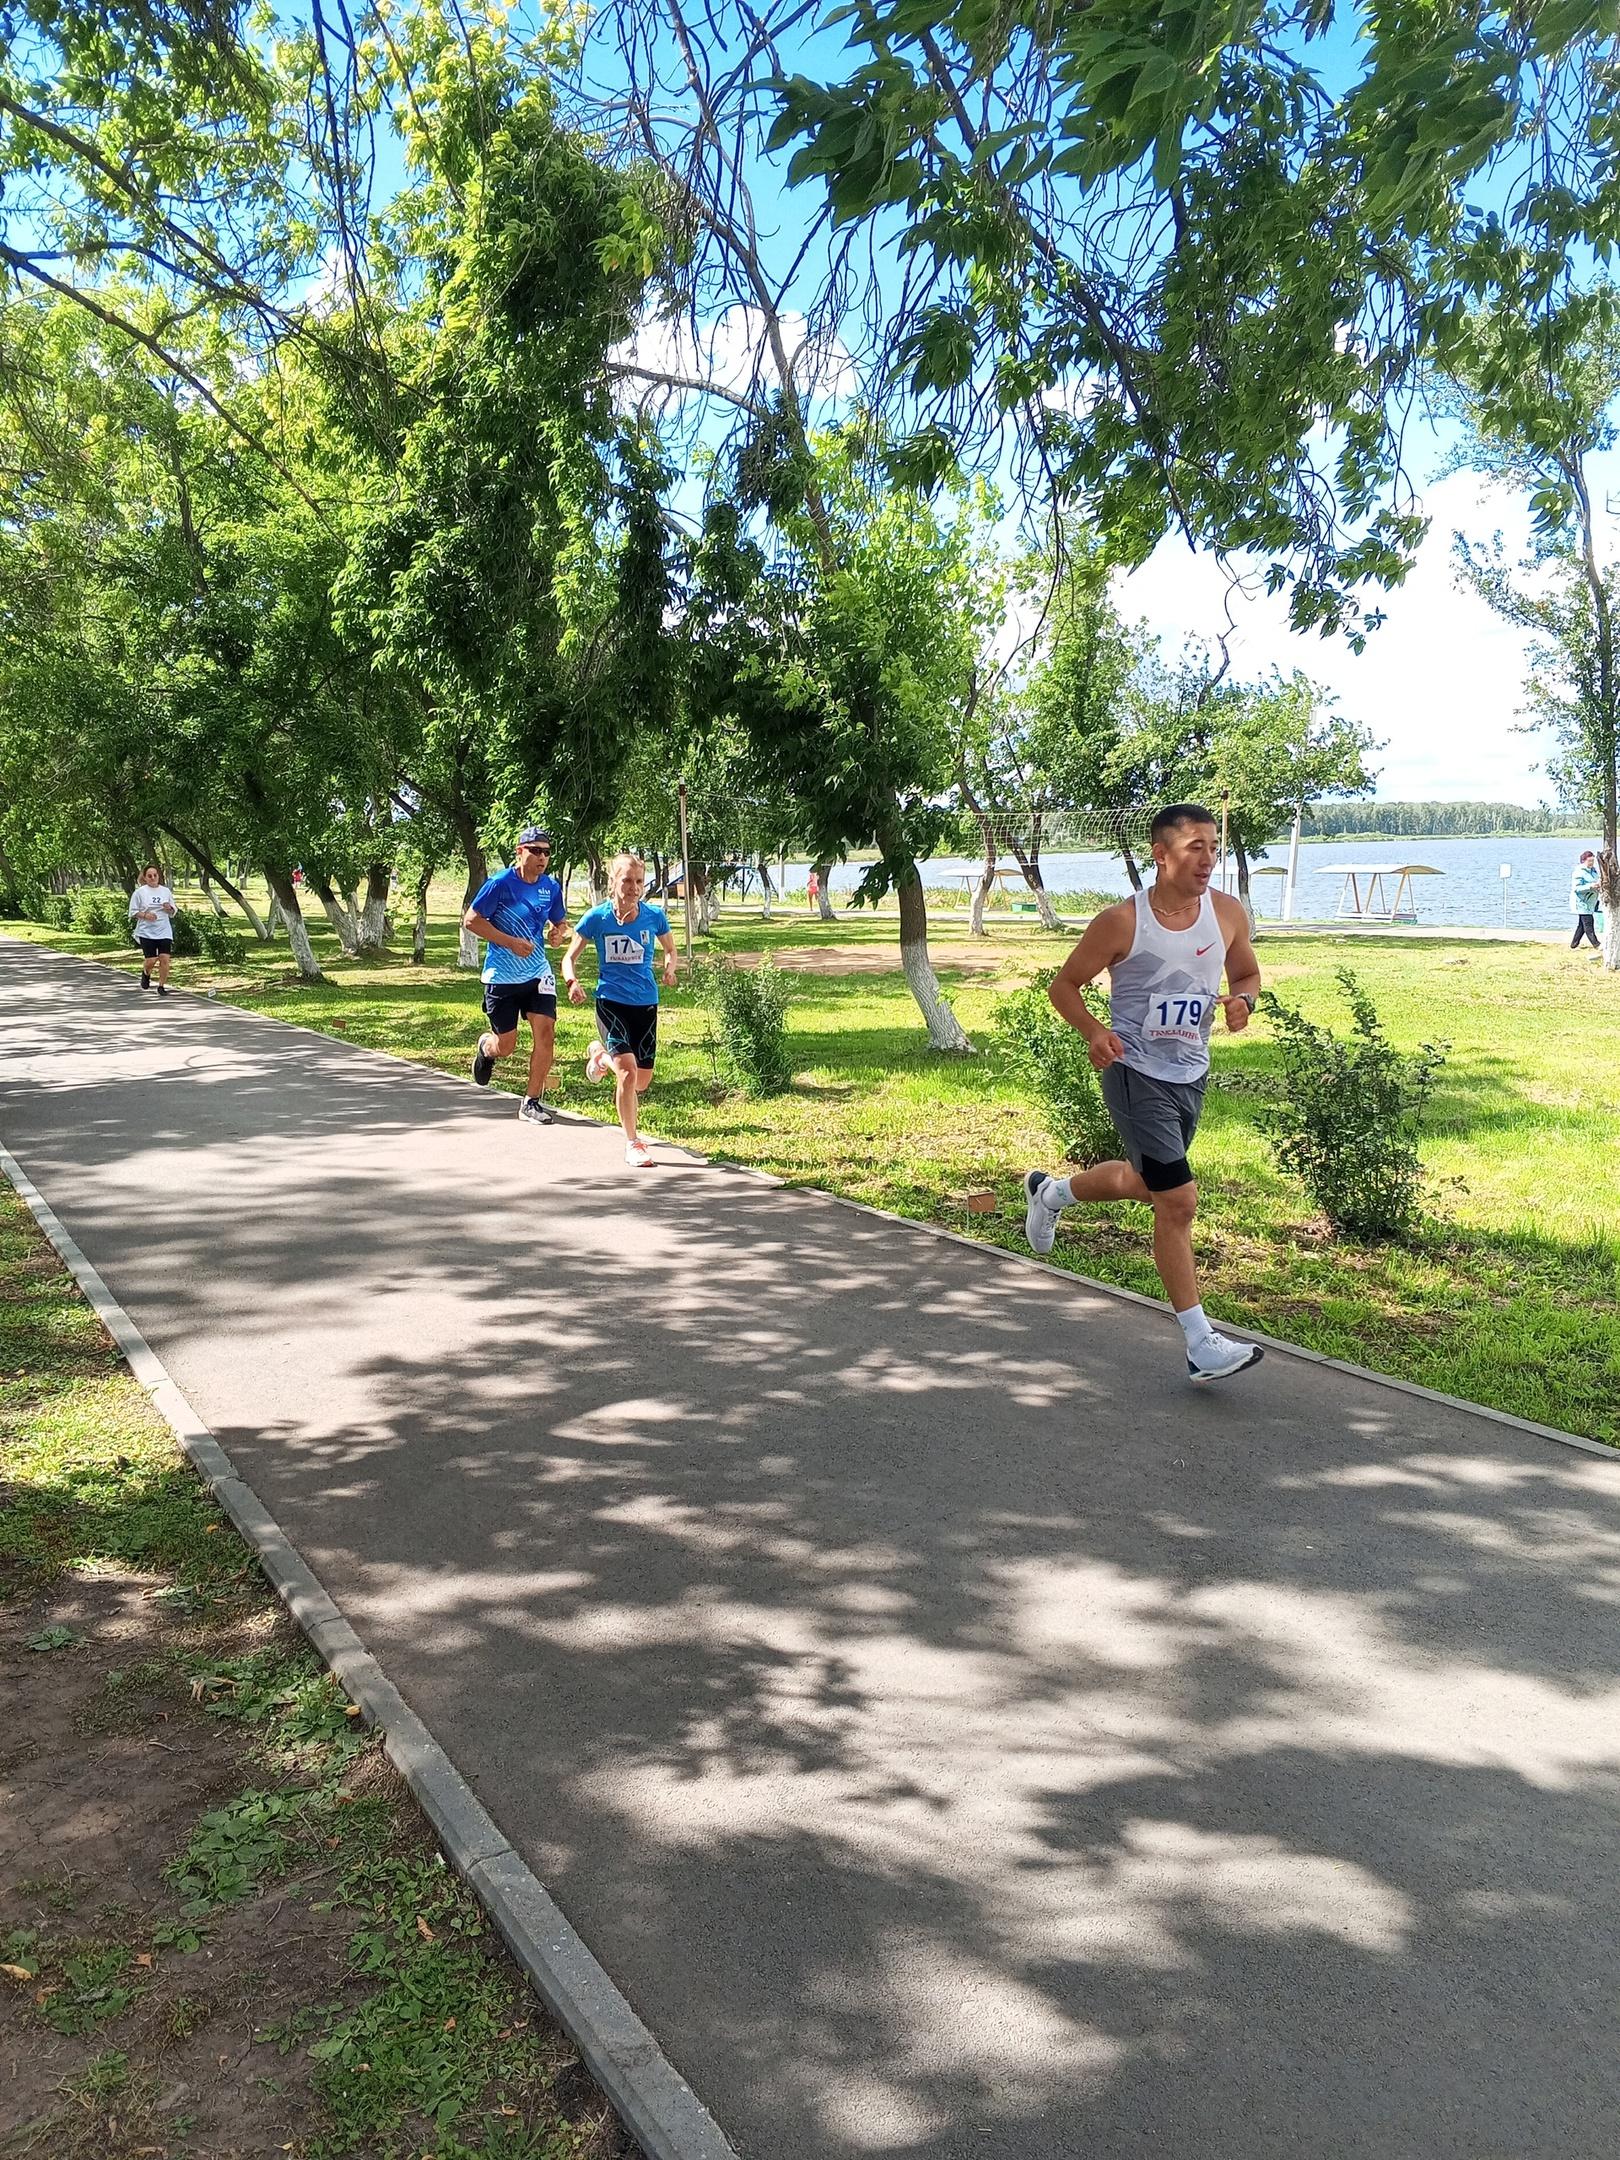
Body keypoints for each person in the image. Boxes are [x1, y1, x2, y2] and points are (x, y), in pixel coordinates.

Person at [1022, 804, 1265, 1386]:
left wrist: (1243, 1003)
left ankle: (1051, 1194)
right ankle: (1199, 1342)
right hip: (1134, 1071)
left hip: (1190, 1072)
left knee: (1145, 1183)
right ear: (1161, 855)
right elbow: (1064, 986)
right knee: (1178, 1202)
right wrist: (1094, 1032)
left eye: (1214, 847)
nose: (1208, 858)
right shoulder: (1121, 922)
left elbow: (1248, 975)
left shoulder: (1227, 913)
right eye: (1194, 848)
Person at [563, 852, 676, 1168]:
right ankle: (633, 1143)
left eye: (639, 881)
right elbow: (568, 957)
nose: (634, 887)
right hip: (610, 1002)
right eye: (627, 880)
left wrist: (669, 969)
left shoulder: (654, 916)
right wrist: (572, 982)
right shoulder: (597, 918)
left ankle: (600, 1057)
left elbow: (670, 949)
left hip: (645, 1003)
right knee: (627, 1072)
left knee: (641, 1082)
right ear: (613, 882)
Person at [464, 826, 569, 1125]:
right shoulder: (500, 884)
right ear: (519, 851)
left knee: (546, 1033)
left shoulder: (551, 887)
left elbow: (561, 922)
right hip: (502, 977)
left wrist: (558, 933)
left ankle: (531, 1102)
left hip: (538, 973)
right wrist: (510, 942)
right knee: (506, 1045)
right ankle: (487, 1048)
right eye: (535, 850)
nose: (542, 857)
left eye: (547, 852)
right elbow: (471, 921)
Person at [127, 865, 178, 995]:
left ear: (158, 876)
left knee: (164, 958)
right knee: (151, 960)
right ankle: (146, 973)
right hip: (147, 931)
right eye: (149, 876)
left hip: (164, 929)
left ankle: (161, 986)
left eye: (155, 875)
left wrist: (169, 908)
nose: (153, 878)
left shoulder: (165, 891)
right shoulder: (140, 892)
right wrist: (145, 915)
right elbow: (133, 912)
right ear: (145, 877)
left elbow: (173, 911)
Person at [1570, 849, 1601, 950]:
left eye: (1593, 861)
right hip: (1582, 902)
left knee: (1581, 926)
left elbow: (1596, 880)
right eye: (1589, 861)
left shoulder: (1593, 870)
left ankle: (1574, 944)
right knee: (1588, 924)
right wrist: (1591, 886)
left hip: (1591, 902)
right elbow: (1576, 888)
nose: (1591, 863)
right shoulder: (1579, 872)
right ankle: (1597, 944)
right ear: (1583, 861)